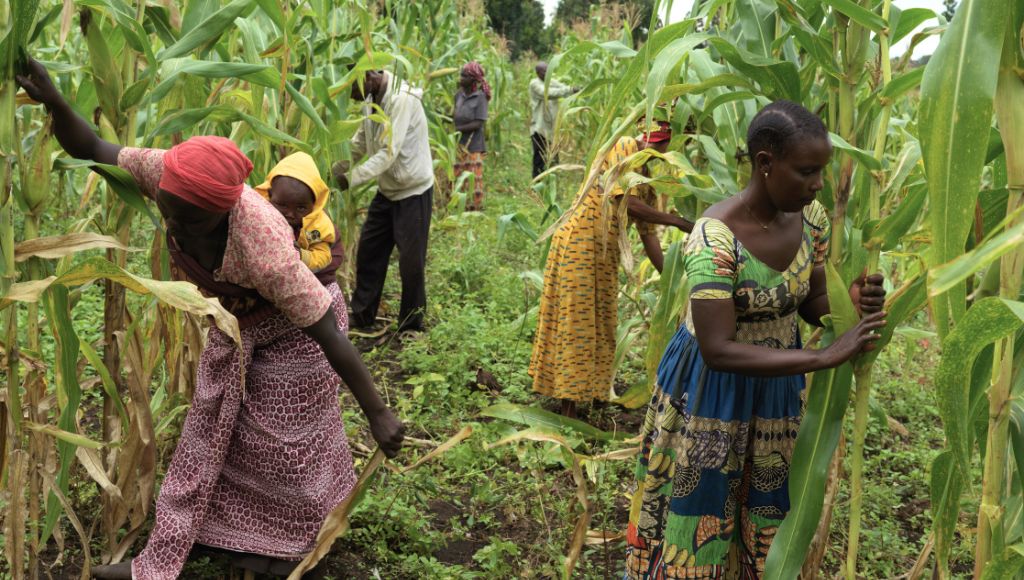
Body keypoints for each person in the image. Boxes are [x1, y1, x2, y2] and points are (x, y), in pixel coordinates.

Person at [16, 59, 405, 580]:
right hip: (240, 326)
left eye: (189, 219)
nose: (174, 223)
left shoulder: (262, 244)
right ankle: (163, 562)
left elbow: (329, 333)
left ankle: (285, 550)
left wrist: (378, 412)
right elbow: (91, 148)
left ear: (225, 212)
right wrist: (56, 101)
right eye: (169, 209)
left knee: (281, 440)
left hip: (302, 330)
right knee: (208, 431)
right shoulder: (172, 172)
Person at [623, 101, 888, 578]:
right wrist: (824, 356)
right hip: (711, 392)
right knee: (700, 514)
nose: (818, 184)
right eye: (807, 171)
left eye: (822, 172)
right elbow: (717, 348)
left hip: (776, 391)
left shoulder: (812, 220)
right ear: (765, 163)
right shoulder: (715, 236)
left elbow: (809, 300)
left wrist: (850, 302)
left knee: (764, 517)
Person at [529, 120, 694, 419]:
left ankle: (591, 394)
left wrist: (674, 280)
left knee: (601, 323)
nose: (661, 151)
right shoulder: (625, 147)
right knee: (576, 323)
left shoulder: (647, 185)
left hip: (605, 256)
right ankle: (569, 408)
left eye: (664, 149)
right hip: (580, 242)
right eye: (661, 145)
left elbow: (649, 237)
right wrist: (677, 221)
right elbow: (623, 199)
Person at [333, 69, 434, 335]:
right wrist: (332, 169)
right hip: (388, 191)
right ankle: (363, 314)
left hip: (413, 191)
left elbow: (387, 154)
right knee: (369, 251)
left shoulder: (401, 99)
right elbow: (360, 144)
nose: (352, 97)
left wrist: (349, 179)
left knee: (411, 262)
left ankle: (412, 325)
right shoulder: (371, 99)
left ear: (369, 76)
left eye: (351, 88)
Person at [256, 152, 338, 273]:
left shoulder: (315, 228)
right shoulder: (257, 211)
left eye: (300, 208)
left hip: (313, 279)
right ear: (269, 194)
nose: (290, 214)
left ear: (314, 205)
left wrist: (302, 256)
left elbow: (323, 255)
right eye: (282, 205)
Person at [529, 61, 578, 178]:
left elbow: (562, 87)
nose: (547, 74)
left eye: (548, 71)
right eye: (544, 71)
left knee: (554, 158)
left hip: (552, 129)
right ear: (537, 73)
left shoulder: (550, 82)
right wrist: (570, 90)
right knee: (539, 158)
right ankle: (537, 184)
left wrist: (572, 89)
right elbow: (547, 93)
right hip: (539, 128)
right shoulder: (535, 84)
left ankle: (553, 182)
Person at [452, 61, 490, 211]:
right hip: (458, 143)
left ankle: (474, 210)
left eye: (464, 75)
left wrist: (458, 128)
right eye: (461, 74)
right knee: (457, 175)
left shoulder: (480, 98)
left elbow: (478, 123)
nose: (460, 78)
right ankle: (457, 206)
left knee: (472, 178)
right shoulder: (458, 95)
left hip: (473, 144)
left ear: (473, 79)